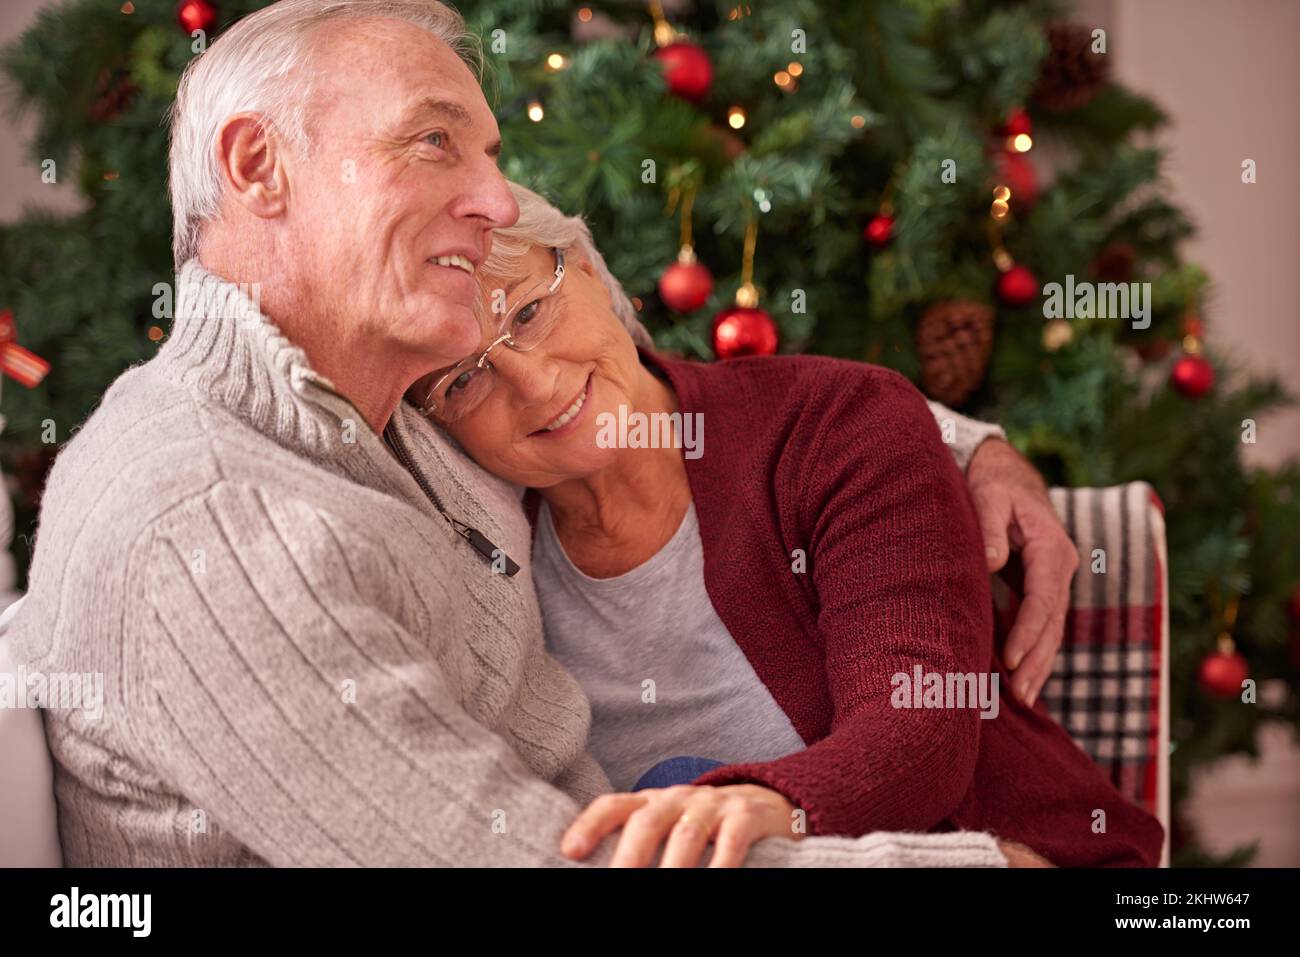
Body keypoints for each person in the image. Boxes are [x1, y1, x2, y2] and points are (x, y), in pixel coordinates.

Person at [8, 0, 1058, 868]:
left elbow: (710, 405)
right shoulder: (214, 513)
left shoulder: (392, 428)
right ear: (258, 166)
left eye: (489, 153)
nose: (495, 197)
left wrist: (970, 446)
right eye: (431, 140)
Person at [416, 183, 1166, 867]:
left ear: (580, 266)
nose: (532, 379)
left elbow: (920, 723)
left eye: (527, 312)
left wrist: (764, 807)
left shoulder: (835, 423)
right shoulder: (474, 546)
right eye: (464, 377)